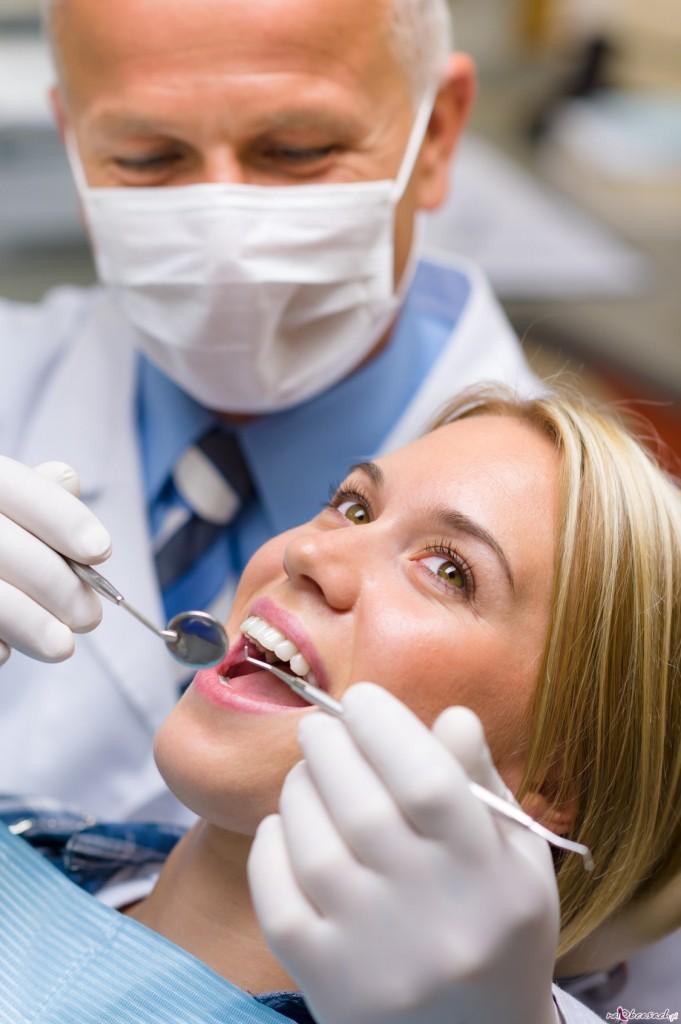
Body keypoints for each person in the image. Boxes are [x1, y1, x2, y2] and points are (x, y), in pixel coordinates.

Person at [0, 0, 537, 825]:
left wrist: (559, 955)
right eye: (147, 157)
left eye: (296, 151)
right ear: (74, 145)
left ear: (435, 135)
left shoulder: (616, 561)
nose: (224, 235)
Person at [3, 385, 679, 1024]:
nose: (307, 552)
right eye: (354, 507)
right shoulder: (29, 837)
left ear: (545, 782)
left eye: (448, 570)